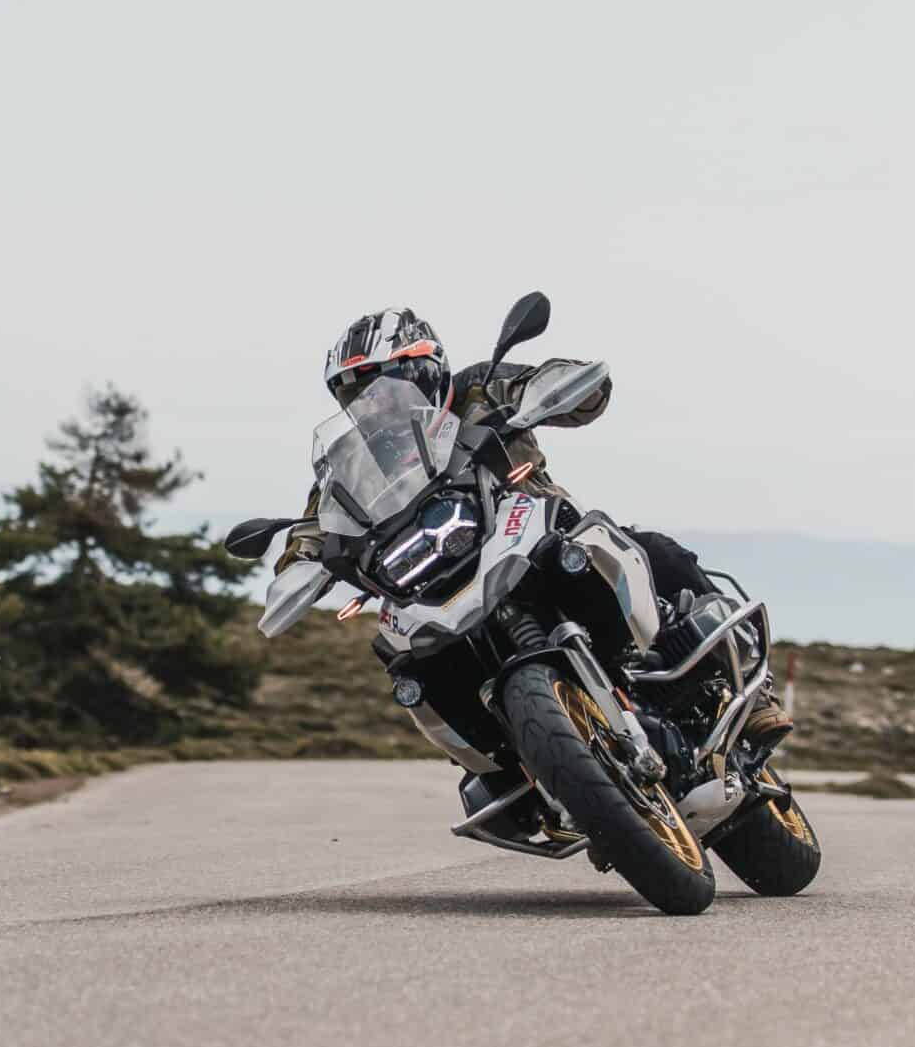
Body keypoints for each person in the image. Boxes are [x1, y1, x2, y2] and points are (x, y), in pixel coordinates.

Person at [280, 306, 793, 751]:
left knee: (656, 551)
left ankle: (752, 694)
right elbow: (318, 521)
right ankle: (509, 766)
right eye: (359, 392)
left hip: (534, 527)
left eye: (385, 382)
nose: (376, 400)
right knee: (409, 660)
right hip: (434, 573)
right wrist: (299, 564)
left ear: (425, 368)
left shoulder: (480, 386)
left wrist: (562, 388)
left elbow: (569, 390)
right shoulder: (360, 461)